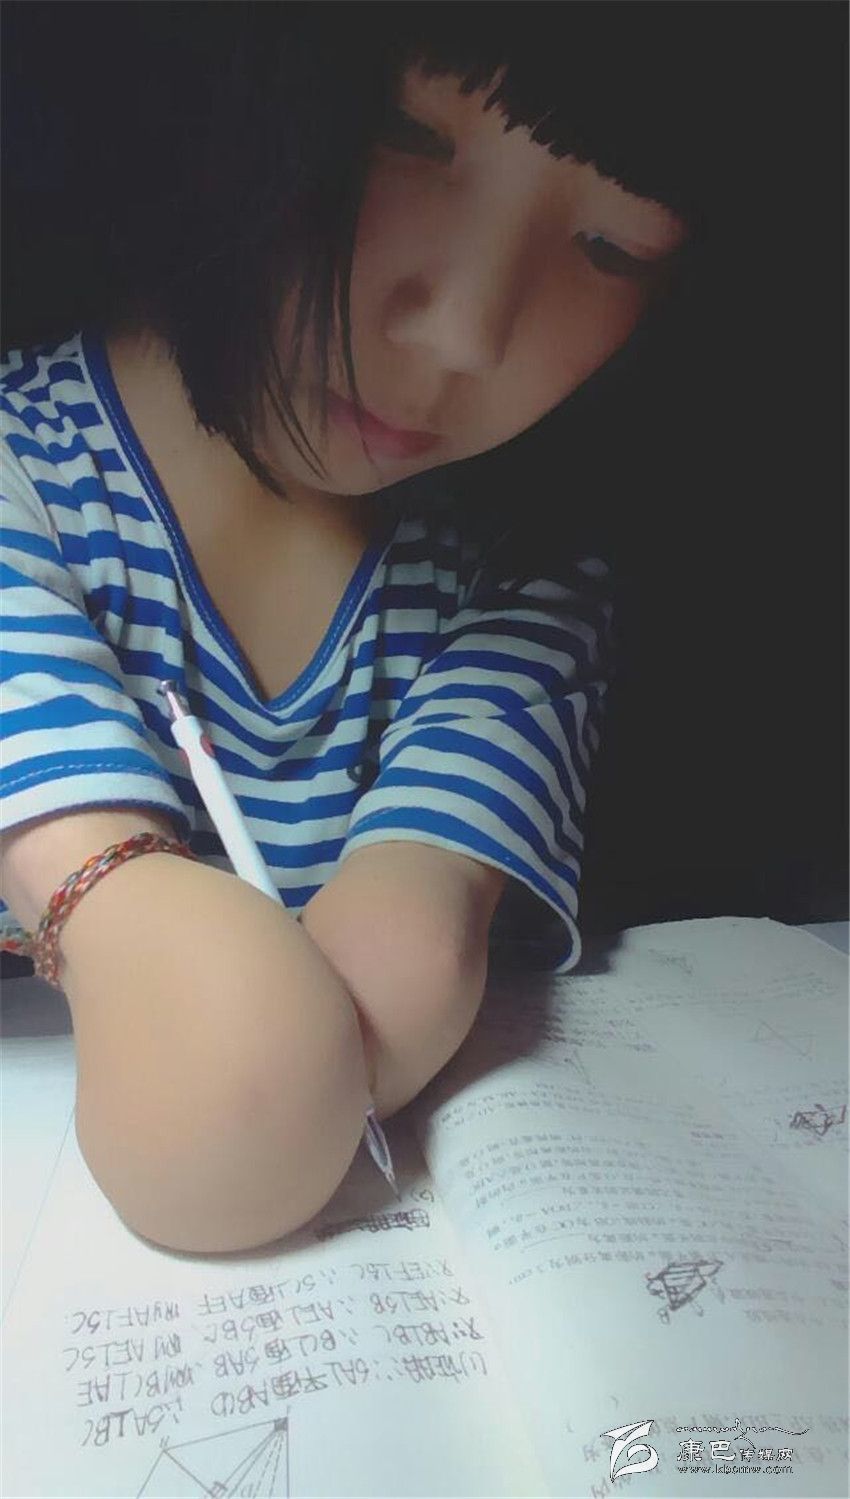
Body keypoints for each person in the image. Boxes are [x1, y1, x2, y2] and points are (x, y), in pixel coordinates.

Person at [0, 4, 721, 1253]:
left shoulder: (527, 573)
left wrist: (276, 1074)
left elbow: (402, 946)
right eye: (402, 134)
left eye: (614, 247)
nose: (462, 328)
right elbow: (219, 1097)